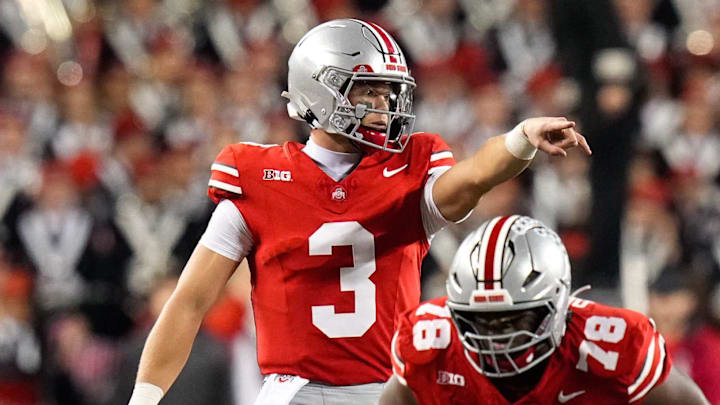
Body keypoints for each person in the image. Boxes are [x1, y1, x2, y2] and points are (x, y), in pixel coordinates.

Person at [128, 19, 591, 405]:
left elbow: (472, 177)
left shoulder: (410, 171)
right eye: (367, 91)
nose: (383, 106)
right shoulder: (258, 178)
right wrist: (144, 399)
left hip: (393, 391)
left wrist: (520, 139)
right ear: (318, 90)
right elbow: (188, 302)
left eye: (388, 93)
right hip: (298, 392)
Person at [380, 215, 710, 405]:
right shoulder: (429, 344)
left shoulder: (613, 346)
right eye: (481, 320)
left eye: (515, 318)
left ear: (558, 303)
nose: (497, 337)